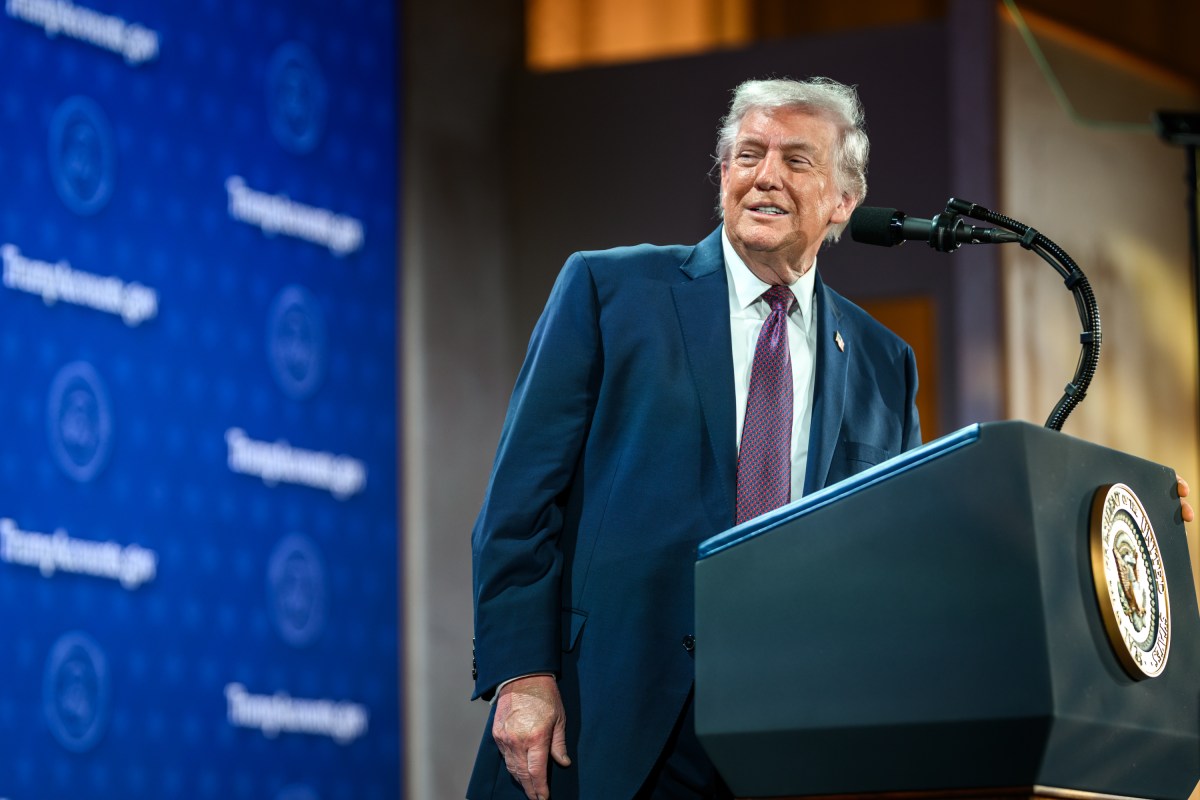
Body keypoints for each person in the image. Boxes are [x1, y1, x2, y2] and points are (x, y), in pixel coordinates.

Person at [466, 76, 1196, 800]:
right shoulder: (608, 292)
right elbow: (520, 505)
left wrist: (1091, 525)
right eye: (747, 154)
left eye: (797, 159)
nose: (764, 176)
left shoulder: (883, 361)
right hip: (607, 716)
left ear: (844, 201)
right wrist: (522, 675)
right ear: (723, 172)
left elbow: (902, 545)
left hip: (790, 736)